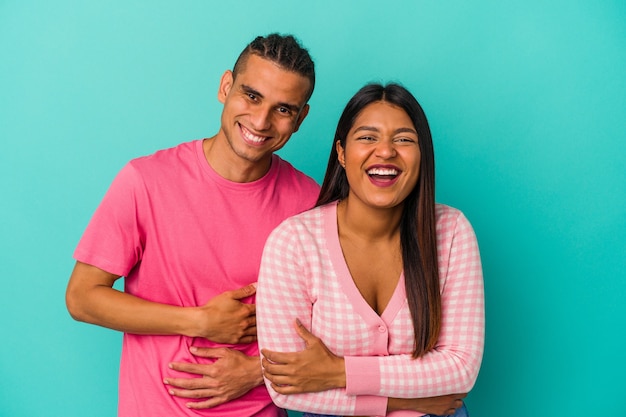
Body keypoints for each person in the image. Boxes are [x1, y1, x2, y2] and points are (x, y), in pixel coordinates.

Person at [65, 33, 320, 417]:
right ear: (225, 87)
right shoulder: (145, 180)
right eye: (251, 96)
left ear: (301, 119)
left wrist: (259, 373)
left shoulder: (312, 204)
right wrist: (200, 321)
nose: (261, 120)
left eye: (283, 109)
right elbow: (81, 297)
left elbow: (339, 324)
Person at [256, 83, 485, 416]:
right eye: (367, 137)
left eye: (404, 139)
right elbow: (286, 387)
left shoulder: (451, 232)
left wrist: (338, 372)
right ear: (342, 154)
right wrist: (405, 401)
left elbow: (460, 368)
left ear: (422, 155)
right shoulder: (294, 242)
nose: (386, 151)